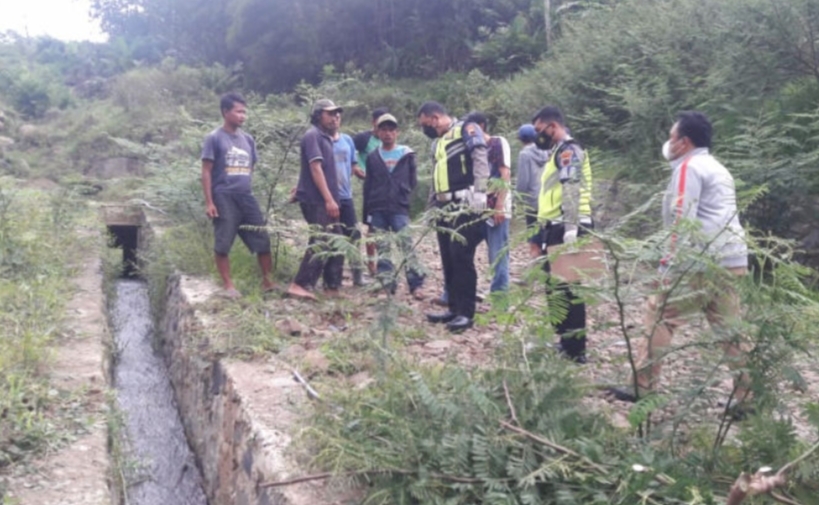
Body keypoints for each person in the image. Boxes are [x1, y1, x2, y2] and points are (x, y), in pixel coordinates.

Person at [607, 111, 752, 415]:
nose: (669, 143)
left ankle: (642, 387)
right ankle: (749, 398)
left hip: (699, 260)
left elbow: (681, 221)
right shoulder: (719, 168)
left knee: (660, 314)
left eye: (672, 137)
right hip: (732, 260)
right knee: (730, 329)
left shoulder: (689, 168)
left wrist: (667, 267)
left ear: (684, 142)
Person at [417, 101, 490, 333]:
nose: (426, 129)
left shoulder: (466, 129)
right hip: (444, 205)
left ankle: (466, 313)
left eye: (425, 124)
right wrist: (431, 209)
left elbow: (480, 157)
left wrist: (481, 191)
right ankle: (453, 307)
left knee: (462, 257)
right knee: (448, 258)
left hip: (465, 204)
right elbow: (436, 177)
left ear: (435, 117)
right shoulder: (438, 143)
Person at [532, 106, 594, 363]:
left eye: (539, 130)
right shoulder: (556, 152)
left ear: (552, 126)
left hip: (568, 227)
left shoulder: (569, 151)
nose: (538, 135)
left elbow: (572, 188)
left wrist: (570, 229)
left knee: (570, 288)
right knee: (556, 288)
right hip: (554, 226)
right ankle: (566, 341)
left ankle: (576, 349)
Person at [201, 92, 274, 299]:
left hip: (246, 196)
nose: (243, 116)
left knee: (262, 239)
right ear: (226, 112)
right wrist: (209, 202)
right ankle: (228, 285)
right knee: (223, 242)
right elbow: (206, 171)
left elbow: (252, 166)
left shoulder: (248, 140)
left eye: (244, 112)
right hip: (223, 196)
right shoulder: (214, 138)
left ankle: (268, 282)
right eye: (238, 111)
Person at [286, 99, 345, 301]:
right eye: (330, 113)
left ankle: (332, 285)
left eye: (337, 113)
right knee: (322, 239)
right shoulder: (313, 135)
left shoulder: (325, 138)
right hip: (317, 199)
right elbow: (315, 168)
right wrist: (329, 200)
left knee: (338, 240)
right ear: (319, 115)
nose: (335, 117)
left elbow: (309, 169)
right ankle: (300, 284)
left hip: (325, 198)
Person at [362, 113, 425, 298]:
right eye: (383, 130)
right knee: (383, 247)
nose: (387, 133)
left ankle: (416, 284)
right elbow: (368, 185)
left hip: (399, 208)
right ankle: (387, 284)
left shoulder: (407, 154)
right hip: (378, 207)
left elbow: (413, 181)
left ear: (397, 132)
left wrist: (404, 197)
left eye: (391, 130)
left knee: (406, 245)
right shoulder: (373, 157)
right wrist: (367, 215)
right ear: (377, 132)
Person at [465, 111, 511, 298]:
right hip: (476, 209)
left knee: (498, 255)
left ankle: (500, 297)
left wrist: (499, 206)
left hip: (495, 209)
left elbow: (504, 175)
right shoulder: (470, 148)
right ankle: (468, 290)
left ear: (480, 126)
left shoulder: (497, 143)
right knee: (464, 250)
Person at [332, 114, 368, 287]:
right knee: (333, 237)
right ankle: (333, 278)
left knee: (354, 234)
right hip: (328, 197)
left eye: (338, 116)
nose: (336, 119)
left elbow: (353, 165)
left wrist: (365, 175)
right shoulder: (320, 140)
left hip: (346, 196)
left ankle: (357, 276)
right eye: (332, 116)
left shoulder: (347, 139)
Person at [354, 107, 389, 275]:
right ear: (373, 122)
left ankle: (385, 265)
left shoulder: (388, 139)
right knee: (371, 227)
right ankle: (371, 267)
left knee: (387, 227)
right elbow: (347, 151)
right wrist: (356, 168)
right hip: (370, 189)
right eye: (380, 122)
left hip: (388, 190)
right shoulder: (363, 138)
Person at [515, 124, 551, 259]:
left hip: (532, 201)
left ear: (521, 139)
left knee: (534, 234)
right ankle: (548, 266)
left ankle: (534, 267)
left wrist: (518, 197)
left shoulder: (524, 154)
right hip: (547, 199)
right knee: (546, 233)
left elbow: (523, 180)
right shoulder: (547, 151)